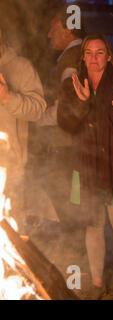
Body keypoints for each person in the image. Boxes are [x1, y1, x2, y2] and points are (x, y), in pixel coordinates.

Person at [57, 33, 113, 299]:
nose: (94, 58)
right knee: (93, 224)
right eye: (89, 53)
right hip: (86, 165)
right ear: (82, 57)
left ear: (109, 56)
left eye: (100, 52)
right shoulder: (72, 85)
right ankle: (96, 282)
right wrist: (81, 104)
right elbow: (66, 125)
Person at [27, 4, 85, 231]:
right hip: (81, 145)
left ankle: (74, 256)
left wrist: (35, 119)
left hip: (67, 145)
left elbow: (66, 107)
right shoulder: (83, 54)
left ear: (68, 30)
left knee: (67, 203)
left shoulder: (71, 59)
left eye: (53, 28)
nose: (49, 34)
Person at [0, 20, 47, 230]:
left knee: (9, 233)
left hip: (10, 169)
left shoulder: (20, 67)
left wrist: (8, 97)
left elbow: (38, 109)